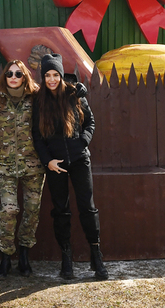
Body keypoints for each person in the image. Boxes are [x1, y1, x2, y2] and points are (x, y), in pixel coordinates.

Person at [31, 53, 109, 281]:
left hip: (80, 161)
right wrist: (48, 162)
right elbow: (37, 136)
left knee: (88, 207)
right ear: (43, 77)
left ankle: (96, 255)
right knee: (61, 210)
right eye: (48, 75)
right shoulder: (39, 102)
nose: (52, 79)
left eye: (55, 74)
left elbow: (90, 122)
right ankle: (67, 258)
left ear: (61, 75)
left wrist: (82, 143)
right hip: (56, 165)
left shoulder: (75, 95)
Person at [0, 59, 45, 279]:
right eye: (9, 73)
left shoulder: (36, 99)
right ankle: (5, 256)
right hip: (5, 166)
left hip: (33, 165)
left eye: (18, 74)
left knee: (32, 210)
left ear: (25, 77)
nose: (13, 77)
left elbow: (57, 100)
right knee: (9, 210)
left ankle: (24, 255)